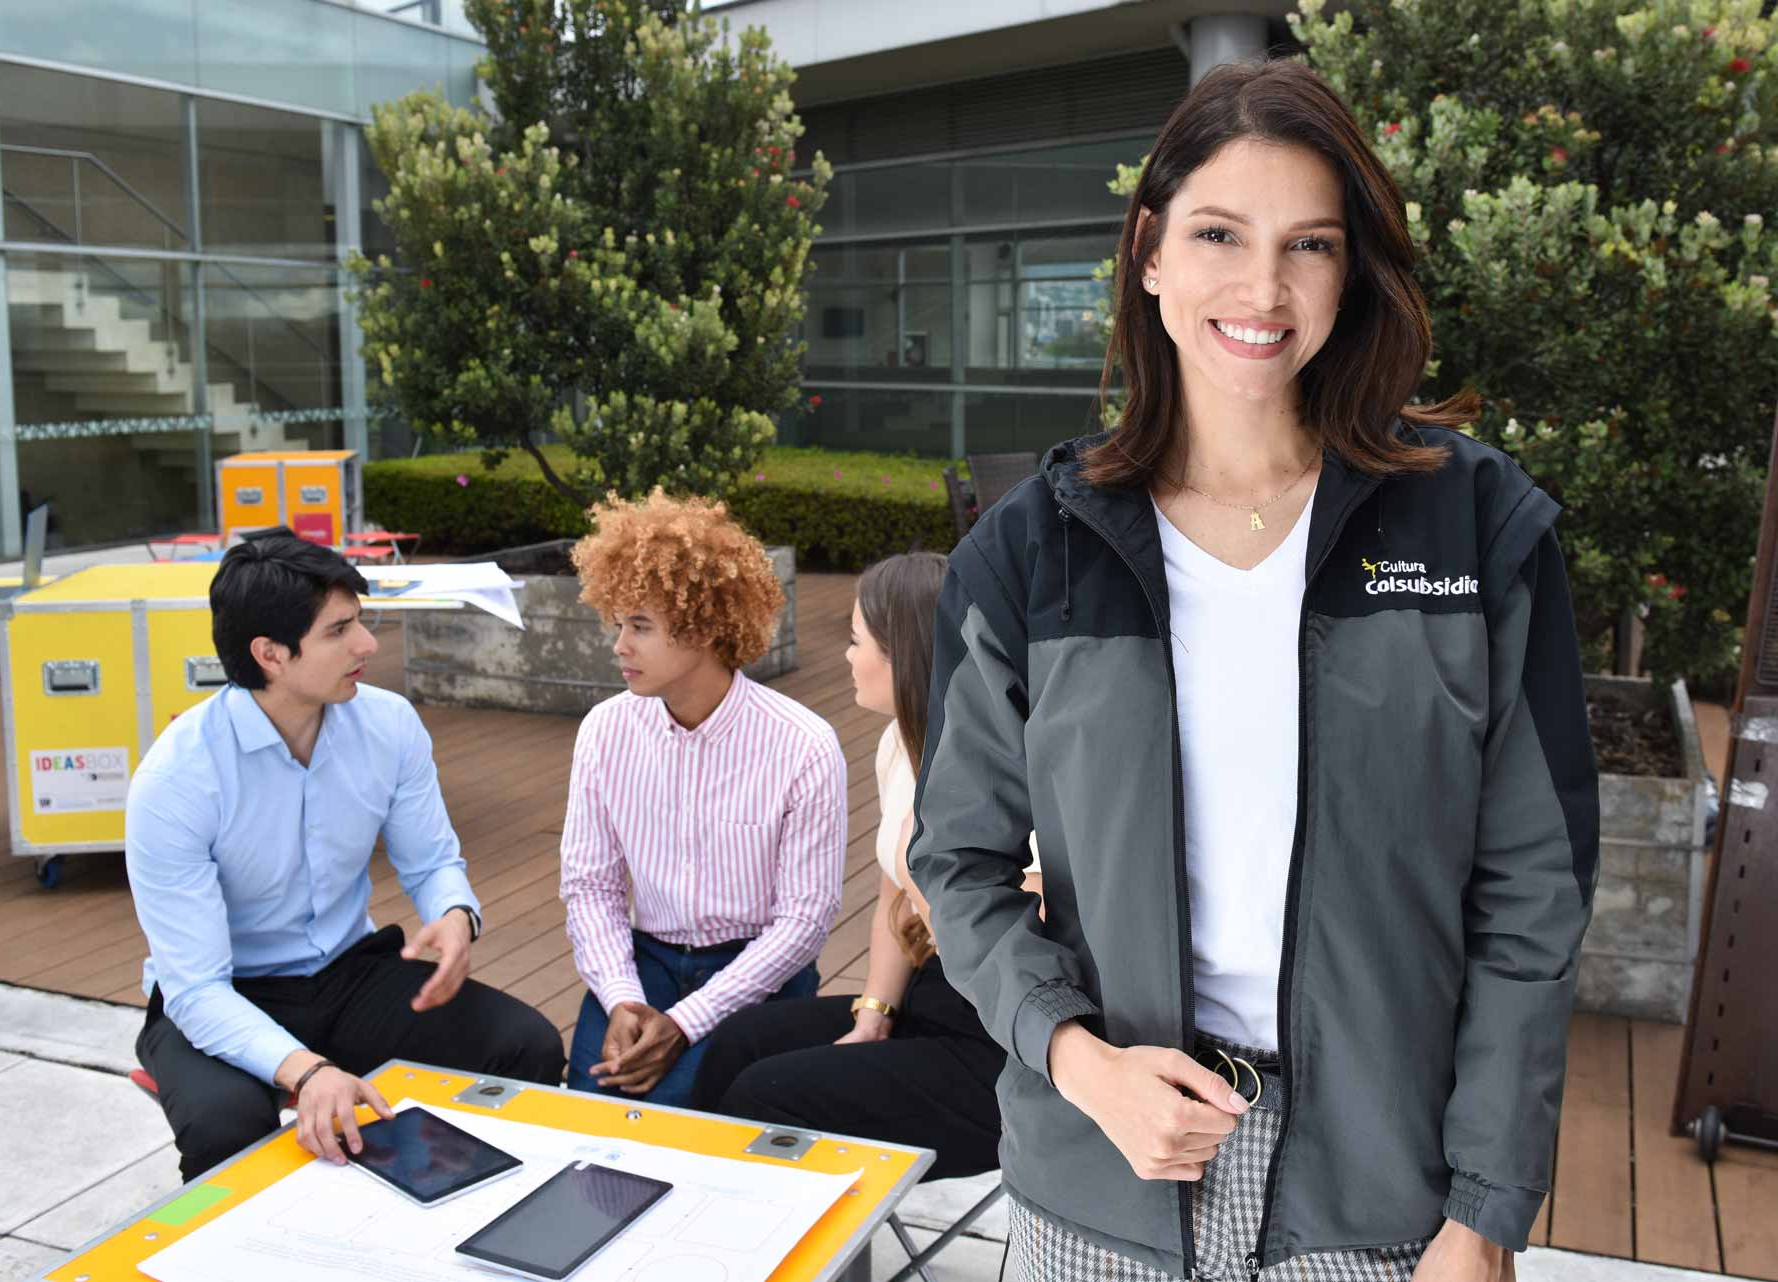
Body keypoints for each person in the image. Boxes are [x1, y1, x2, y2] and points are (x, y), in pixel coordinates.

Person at [906, 58, 1598, 1282]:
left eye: (1311, 245)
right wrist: (1075, 1058)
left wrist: (1485, 1209)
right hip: (1106, 1172)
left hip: (1383, 1193)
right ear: (1150, 251)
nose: (1263, 288)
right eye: (1220, 232)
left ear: (1351, 270)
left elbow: (1531, 893)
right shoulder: (1032, 548)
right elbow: (957, 861)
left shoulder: (1474, 526)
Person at [127, 530, 564, 1182]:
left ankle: (460, 1213)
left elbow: (431, 860)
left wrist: (453, 915)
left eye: (360, 622)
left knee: (525, 1047)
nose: (367, 645)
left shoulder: (388, 725)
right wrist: (310, 1072)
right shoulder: (178, 778)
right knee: (225, 1126)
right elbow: (194, 988)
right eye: (339, 632)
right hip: (224, 994)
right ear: (270, 654)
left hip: (351, 973)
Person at [691, 552, 1042, 1179]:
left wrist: (925, 868)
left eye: (857, 642)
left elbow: (1021, 952)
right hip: (927, 998)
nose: (847, 658)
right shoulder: (899, 746)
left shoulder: (1010, 767)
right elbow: (889, 906)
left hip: (1002, 1044)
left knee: (764, 1095)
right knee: (737, 1043)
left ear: (903, 651)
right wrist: (874, 1015)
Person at [560, 489, 848, 1108]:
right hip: (645, 966)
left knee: (689, 1125)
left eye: (640, 626)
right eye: (619, 624)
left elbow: (803, 921)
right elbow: (590, 886)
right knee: (589, 1117)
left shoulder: (803, 746)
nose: (619, 646)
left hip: (761, 976)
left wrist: (689, 1020)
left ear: (706, 627)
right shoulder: (605, 732)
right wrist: (621, 996)